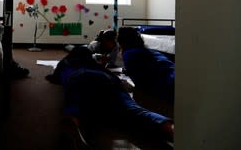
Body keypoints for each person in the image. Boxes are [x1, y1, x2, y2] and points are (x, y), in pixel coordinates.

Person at [46, 46, 174, 149]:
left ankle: (74, 129)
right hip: (106, 80)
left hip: (79, 78)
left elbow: (54, 77)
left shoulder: (66, 63)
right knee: (134, 110)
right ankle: (171, 129)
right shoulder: (93, 63)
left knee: (76, 107)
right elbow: (114, 77)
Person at [117, 26, 175, 103]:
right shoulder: (148, 51)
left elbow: (141, 79)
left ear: (121, 41)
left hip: (168, 82)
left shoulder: (129, 54)